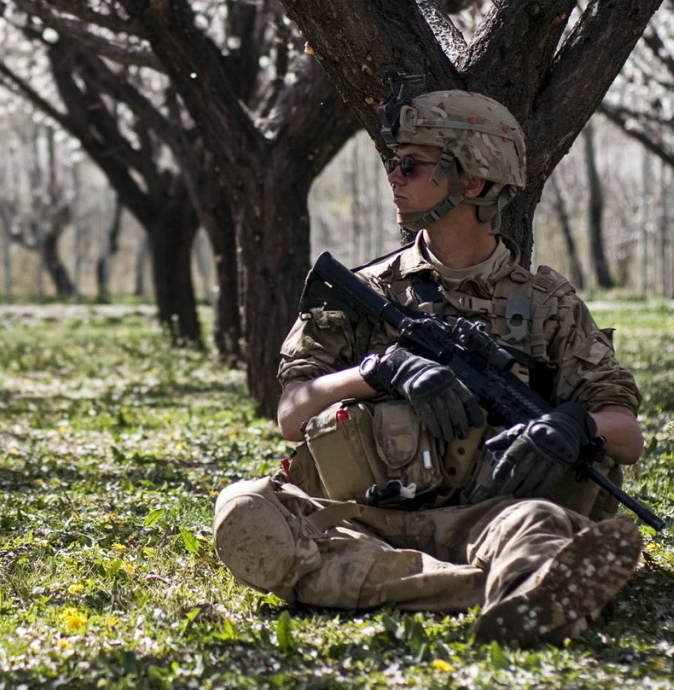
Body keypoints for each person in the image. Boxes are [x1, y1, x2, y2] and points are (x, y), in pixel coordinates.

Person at [212, 89, 646, 647]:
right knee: (244, 511)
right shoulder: (365, 293)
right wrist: (380, 371)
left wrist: (576, 424)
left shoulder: (546, 304)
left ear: (473, 182)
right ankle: (511, 590)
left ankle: (520, 578)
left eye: (411, 165)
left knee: (537, 525)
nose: (394, 176)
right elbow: (293, 416)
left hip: (494, 518)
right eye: (394, 163)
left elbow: (627, 437)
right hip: (364, 520)